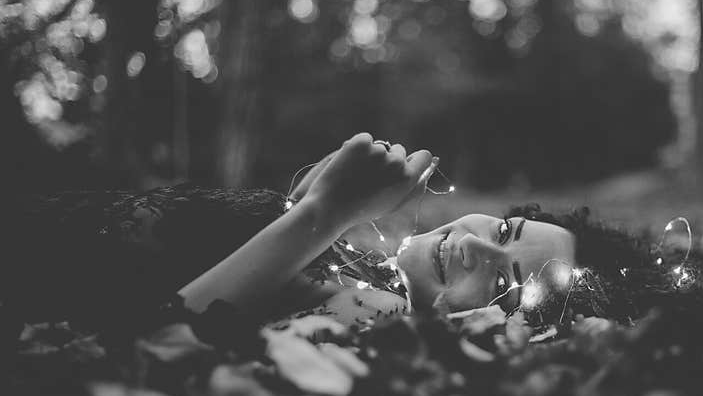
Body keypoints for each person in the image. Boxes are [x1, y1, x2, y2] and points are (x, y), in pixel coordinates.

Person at [177, 133, 670, 333]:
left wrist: (322, 215)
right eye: (504, 230)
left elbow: (163, 336)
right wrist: (308, 208)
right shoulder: (369, 277)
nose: (475, 245)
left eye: (505, 284)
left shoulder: (377, 314)